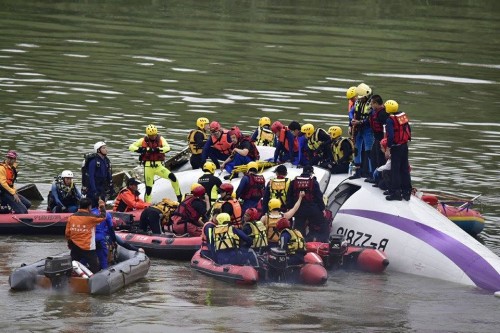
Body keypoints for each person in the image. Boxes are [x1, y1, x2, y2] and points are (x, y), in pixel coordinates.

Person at [129, 124, 182, 202]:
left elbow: (167, 148)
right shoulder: (143, 140)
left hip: (158, 166)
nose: (153, 137)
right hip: (148, 167)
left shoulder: (161, 139)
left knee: (173, 178)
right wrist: (141, 149)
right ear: (148, 134)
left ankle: (179, 197)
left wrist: (157, 149)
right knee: (149, 188)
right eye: (151, 135)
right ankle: (147, 205)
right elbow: (131, 147)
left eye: (154, 135)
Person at [286, 165, 328, 242]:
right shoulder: (314, 182)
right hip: (312, 209)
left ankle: (300, 245)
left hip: (298, 210)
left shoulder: (293, 182)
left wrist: (289, 208)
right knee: (321, 224)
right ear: (311, 173)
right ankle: (318, 241)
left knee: (299, 229)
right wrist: (322, 209)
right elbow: (319, 197)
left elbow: (289, 196)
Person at [65, 197, 106, 273]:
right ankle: (94, 281)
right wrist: (102, 206)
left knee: (71, 265)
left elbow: (67, 233)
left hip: (74, 246)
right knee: (95, 266)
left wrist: (69, 244)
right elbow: (103, 217)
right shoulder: (91, 217)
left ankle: (69, 277)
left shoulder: (71, 217)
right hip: (87, 247)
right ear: (89, 207)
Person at [384, 100, 412, 201]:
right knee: (404, 169)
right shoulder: (402, 116)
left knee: (395, 170)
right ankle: (406, 192)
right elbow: (408, 129)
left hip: (396, 147)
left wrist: (388, 148)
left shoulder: (389, 120)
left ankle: (396, 193)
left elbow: (390, 136)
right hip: (404, 146)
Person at [351, 83, 374, 178]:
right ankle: (358, 171)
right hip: (358, 129)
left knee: (368, 151)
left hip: (367, 130)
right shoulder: (358, 102)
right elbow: (351, 112)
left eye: (361, 97)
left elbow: (371, 118)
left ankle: (370, 173)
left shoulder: (371, 104)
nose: (360, 99)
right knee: (357, 149)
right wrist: (352, 120)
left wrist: (360, 122)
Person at [87, 141, 114, 207]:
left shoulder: (106, 160)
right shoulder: (93, 161)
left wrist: (111, 187)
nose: (106, 149)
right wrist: (94, 190)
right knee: (93, 205)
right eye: (104, 148)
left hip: (102, 187)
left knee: (102, 205)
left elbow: (108, 174)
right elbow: (91, 177)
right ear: (98, 150)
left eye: (106, 148)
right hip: (94, 188)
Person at [368, 95, 389, 173]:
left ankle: (380, 178)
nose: (371, 105)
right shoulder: (376, 112)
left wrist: (384, 142)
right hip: (377, 138)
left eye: (372, 104)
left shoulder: (382, 114)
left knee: (380, 158)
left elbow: (386, 129)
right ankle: (375, 176)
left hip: (381, 139)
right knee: (373, 156)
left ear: (376, 103)